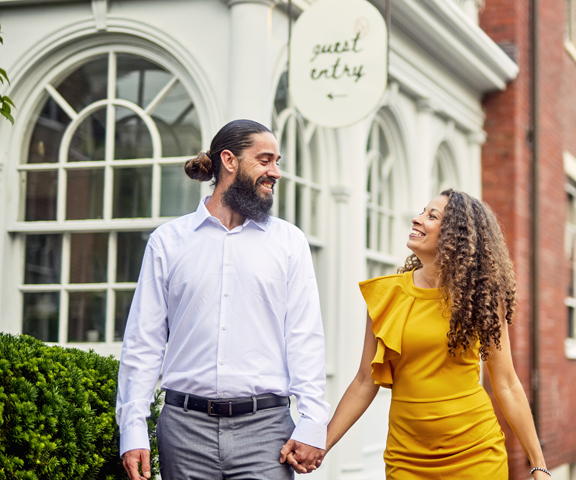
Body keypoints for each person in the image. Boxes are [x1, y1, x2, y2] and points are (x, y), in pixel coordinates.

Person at [116, 119, 329, 480]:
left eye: (277, 161)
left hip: (266, 434)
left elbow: (304, 338)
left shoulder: (289, 243)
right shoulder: (168, 241)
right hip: (184, 432)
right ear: (229, 160)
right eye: (265, 160)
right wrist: (133, 428)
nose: (275, 172)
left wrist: (312, 422)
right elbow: (143, 341)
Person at [301, 189, 549, 479]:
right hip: (407, 459)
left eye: (432, 216)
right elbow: (365, 381)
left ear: (457, 236)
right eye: (422, 212)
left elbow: (506, 384)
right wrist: (321, 444)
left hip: (475, 454)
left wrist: (538, 465)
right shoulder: (387, 295)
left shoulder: (480, 298)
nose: (417, 220)